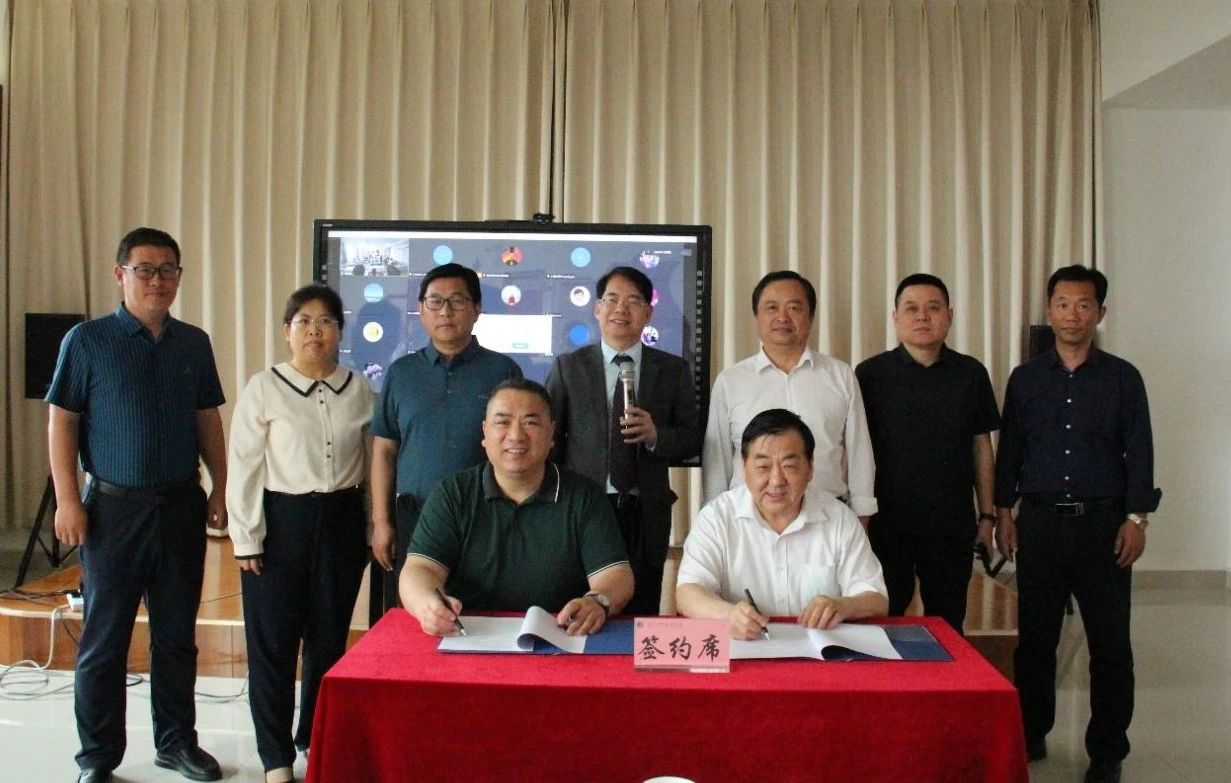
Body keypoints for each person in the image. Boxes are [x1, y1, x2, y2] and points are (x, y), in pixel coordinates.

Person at [46, 227, 227, 783]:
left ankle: (176, 743)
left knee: (176, 637)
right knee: (105, 639)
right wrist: (68, 500)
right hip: (112, 513)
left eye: (168, 270)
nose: (157, 280)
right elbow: (62, 421)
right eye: (144, 269)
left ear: (179, 277)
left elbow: (207, 419)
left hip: (180, 508)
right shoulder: (86, 341)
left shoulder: (193, 343)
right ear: (120, 274)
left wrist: (220, 487)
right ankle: (98, 757)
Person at [995, 265, 1161, 783]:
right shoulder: (1026, 379)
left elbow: (1140, 452)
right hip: (1041, 524)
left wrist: (1136, 519)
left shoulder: (1123, 378)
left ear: (1100, 313)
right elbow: (1011, 450)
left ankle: (1107, 751)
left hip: (1104, 527)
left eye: (1084, 304)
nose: (1073, 314)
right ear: (1049, 310)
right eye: (1063, 303)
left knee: (1110, 646)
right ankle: (1032, 730)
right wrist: (1004, 512)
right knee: (1035, 642)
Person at [226, 285, 380, 783]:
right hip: (281, 522)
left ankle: (314, 738)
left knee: (328, 639)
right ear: (287, 331)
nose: (315, 331)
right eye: (304, 322)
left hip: (341, 522)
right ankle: (275, 758)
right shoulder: (264, 387)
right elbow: (244, 466)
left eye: (326, 322)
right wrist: (246, 537)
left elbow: (373, 465)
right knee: (273, 643)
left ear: (340, 331)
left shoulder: (360, 389)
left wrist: (373, 525)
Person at [400, 378, 634, 636]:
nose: (516, 435)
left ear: (551, 433)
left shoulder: (584, 496)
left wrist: (597, 601)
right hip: (470, 636)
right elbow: (420, 569)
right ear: (484, 432)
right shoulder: (453, 493)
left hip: (561, 636)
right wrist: (427, 604)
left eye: (530, 423)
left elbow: (616, 575)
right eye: (502, 422)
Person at [545, 265, 701, 615]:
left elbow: (691, 439)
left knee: (641, 611)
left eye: (633, 301)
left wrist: (656, 435)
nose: (621, 309)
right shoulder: (569, 367)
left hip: (645, 512)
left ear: (648, 313)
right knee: (583, 607)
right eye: (612, 300)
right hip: (586, 509)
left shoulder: (672, 370)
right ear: (597, 308)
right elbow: (549, 441)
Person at [369, 262, 521, 612]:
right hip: (414, 514)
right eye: (435, 301)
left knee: (481, 613)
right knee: (415, 613)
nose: (446, 311)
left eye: (457, 301)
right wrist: (381, 522)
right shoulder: (401, 373)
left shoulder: (503, 370)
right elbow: (384, 450)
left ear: (477, 309)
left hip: (484, 515)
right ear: (421, 310)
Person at [855, 273, 1000, 633]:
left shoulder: (971, 374)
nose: (922, 316)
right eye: (912, 308)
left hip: (951, 525)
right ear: (896, 318)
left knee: (948, 626)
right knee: (882, 625)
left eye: (933, 308)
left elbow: (982, 448)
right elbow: (855, 450)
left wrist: (987, 516)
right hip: (886, 525)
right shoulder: (870, 375)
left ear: (949, 316)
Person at [677, 409, 887, 639]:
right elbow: (688, 592)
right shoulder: (717, 517)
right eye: (763, 467)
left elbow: (875, 598)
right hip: (745, 649)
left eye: (789, 466)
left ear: (810, 469)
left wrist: (843, 606)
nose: (776, 480)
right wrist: (727, 615)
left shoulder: (839, 519)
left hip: (820, 651)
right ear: (744, 469)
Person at [701, 270, 877, 526]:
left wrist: (862, 517)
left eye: (794, 308)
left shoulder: (840, 376)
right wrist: (715, 518)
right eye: (771, 308)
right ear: (756, 316)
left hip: (828, 518)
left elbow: (860, 452)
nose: (782, 317)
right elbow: (717, 462)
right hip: (748, 522)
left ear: (811, 317)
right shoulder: (731, 381)